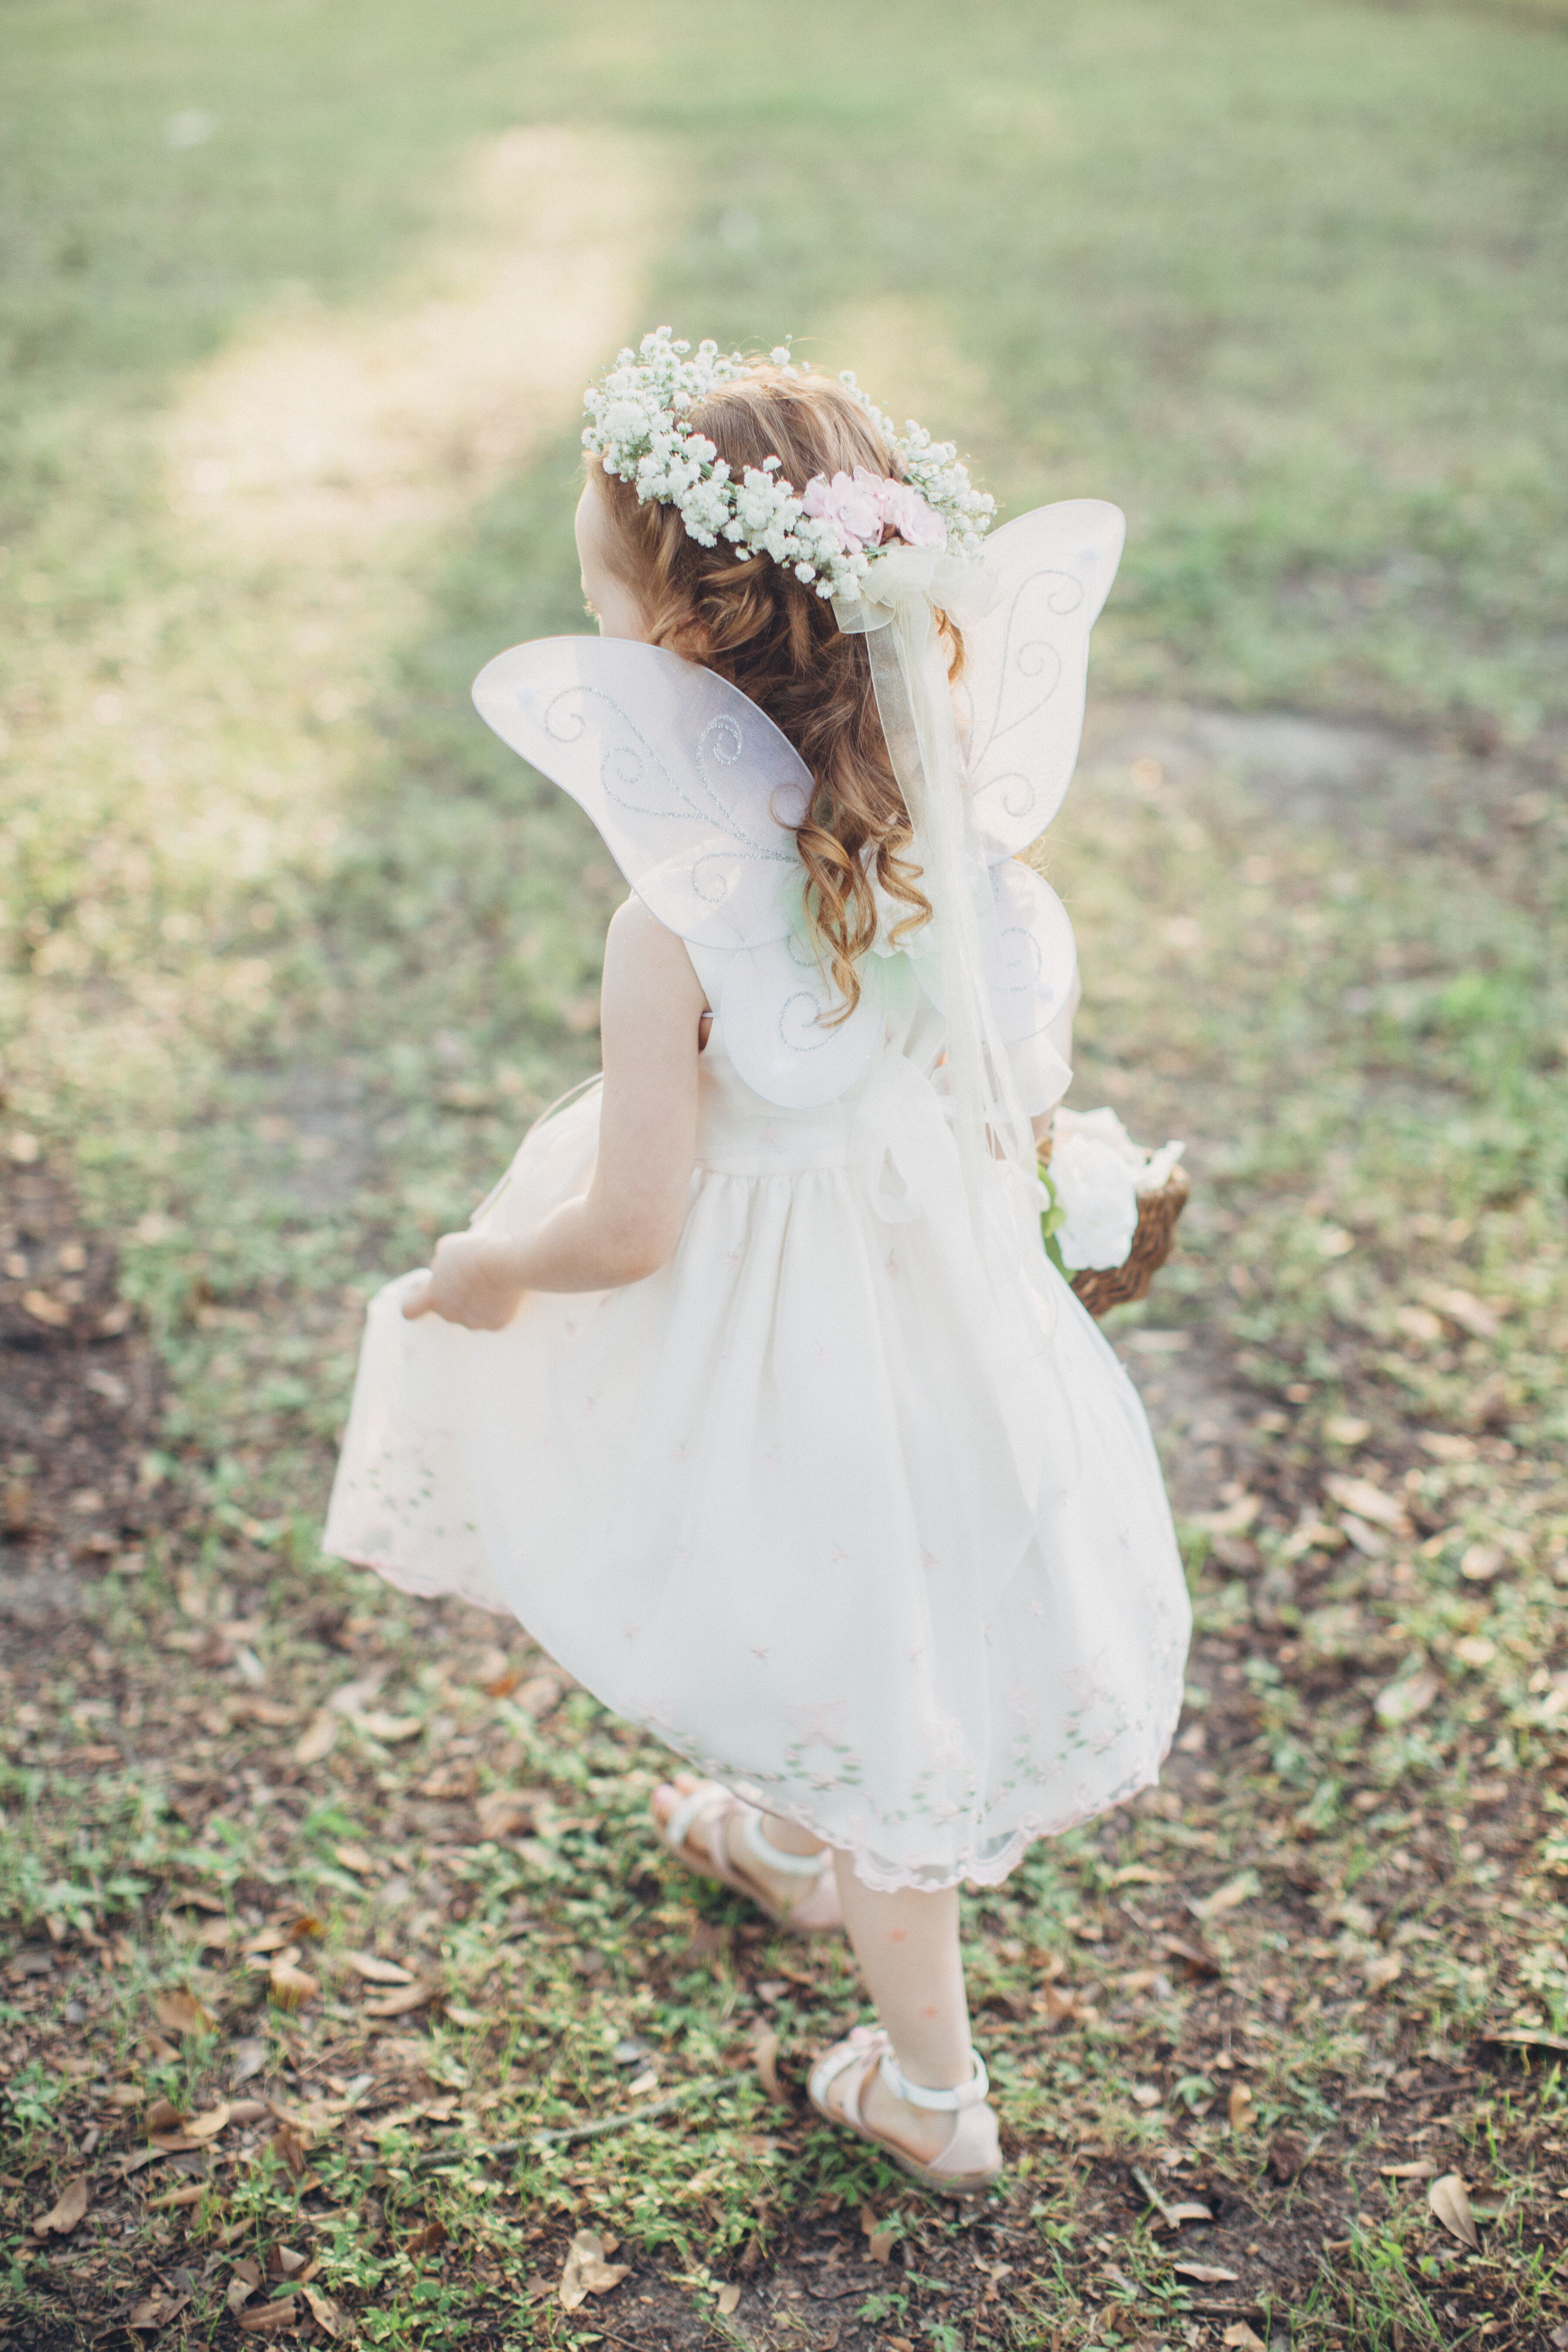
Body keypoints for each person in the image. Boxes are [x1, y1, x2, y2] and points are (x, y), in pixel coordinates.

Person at [324, 330, 1191, 2196]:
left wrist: (490, 1262)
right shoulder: (966, 845)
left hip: (777, 1354)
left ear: (679, 651)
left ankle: (935, 2092)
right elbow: (997, 1099)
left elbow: (633, 1230)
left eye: (594, 593)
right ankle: (799, 1849)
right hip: (941, 1328)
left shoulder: (678, 922)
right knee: (855, 1599)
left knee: (876, 1664)